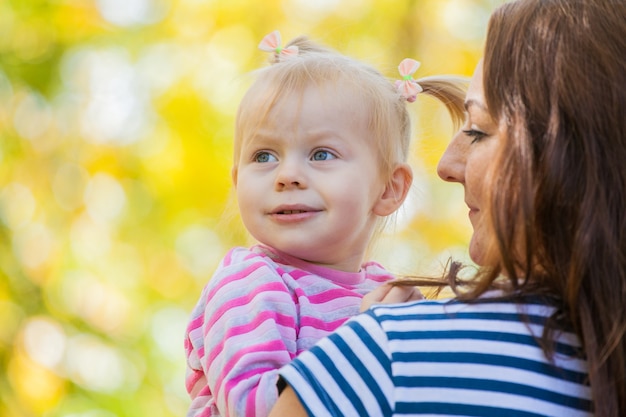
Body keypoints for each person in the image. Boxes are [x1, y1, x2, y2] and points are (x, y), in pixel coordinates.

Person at [269, 0, 626, 416]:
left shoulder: (387, 361)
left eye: (477, 130)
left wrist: (369, 349)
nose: (446, 166)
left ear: (570, 155)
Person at [184, 30, 467, 417]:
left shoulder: (385, 293)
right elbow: (255, 409)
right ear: (237, 181)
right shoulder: (251, 284)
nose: (287, 175)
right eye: (264, 156)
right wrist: (368, 341)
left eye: (321, 153)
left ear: (389, 188)